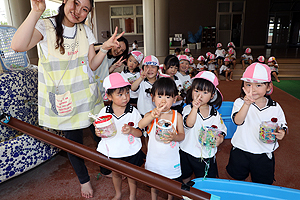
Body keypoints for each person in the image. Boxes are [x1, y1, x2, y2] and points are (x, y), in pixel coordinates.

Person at [10, 0, 124, 198]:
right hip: (65, 101)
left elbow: (93, 65)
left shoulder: (85, 30)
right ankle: (84, 180)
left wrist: (104, 48)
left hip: (87, 97)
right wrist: (36, 11)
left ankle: (105, 169)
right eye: (76, 3)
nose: (78, 11)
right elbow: (17, 45)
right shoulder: (45, 25)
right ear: (65, 1)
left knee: (101, 135)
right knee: (74, 144)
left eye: (85, 9)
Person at [226, 63, 287, 185]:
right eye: (248, 84)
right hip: (241, 149)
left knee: (262, 182)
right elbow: (238, 121)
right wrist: (247, 104)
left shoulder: (275, 107)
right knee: (237, 179)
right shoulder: (240, 102)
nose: (252, 89)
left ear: (269, 86)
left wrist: (282, 133)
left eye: (258, 85)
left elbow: (282, 124)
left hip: (263, 153)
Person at [95, 73, 144, 200]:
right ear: (109, 96)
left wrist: (132, 130)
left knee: (132, 175)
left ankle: (132, 196)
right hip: (112, 151)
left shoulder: (133, 111)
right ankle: (118, 194)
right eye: (120, 94)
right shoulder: (104, 112)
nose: (125, 97)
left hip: (130, 151)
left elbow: (140, 133)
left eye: (127, 93)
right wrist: (98, 133)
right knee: (115, 174)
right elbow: (98, 131)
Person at [138, 77, 185, 200]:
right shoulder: (151, 115)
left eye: (168, 97)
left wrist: (174, 136)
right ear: (153, 98)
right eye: (159, 96)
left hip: (171, 159)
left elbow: (182, 136)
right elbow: (140, 125)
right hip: (154, 159)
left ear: (175, 99)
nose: (163, 101)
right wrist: (152, 116)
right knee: (154, 183)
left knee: (171, 183)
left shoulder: (177, 116)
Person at [180, 71, 226, 184]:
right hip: (187, 151)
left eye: (205, 92)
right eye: (196, 91)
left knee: (207, 179)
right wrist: (194, 108)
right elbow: (189, 123)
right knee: (185, 176)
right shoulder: (187, 109)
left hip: (207, 155)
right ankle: (185, 193)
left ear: (212, 95)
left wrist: (220, 139)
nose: (199, 95)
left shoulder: (215, 114)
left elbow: (222, 130)